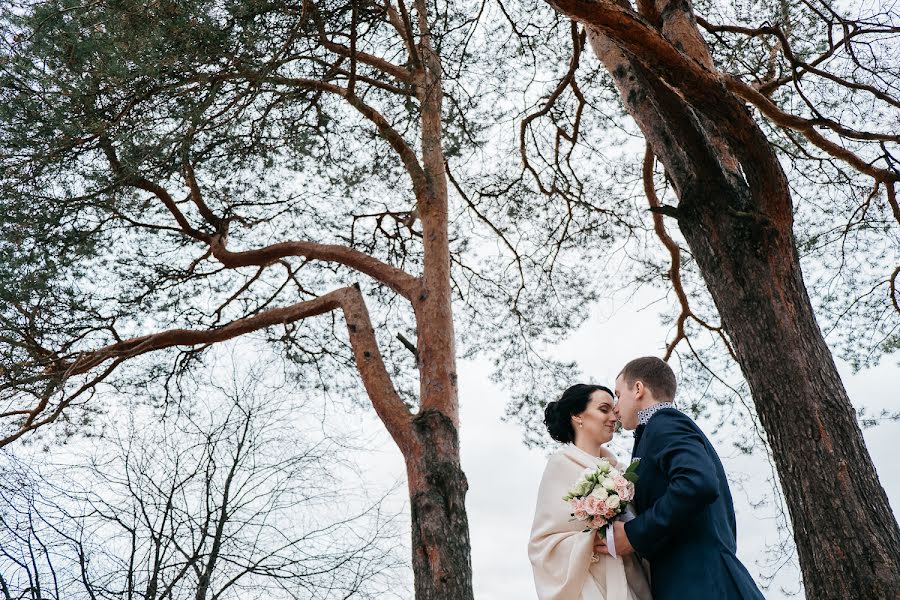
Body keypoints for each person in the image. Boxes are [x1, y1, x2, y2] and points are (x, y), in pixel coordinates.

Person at [598, 356, 766, 600]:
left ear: (638, 389)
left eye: (618, 394)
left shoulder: (665, 423)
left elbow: (698, 483)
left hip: (702, 585)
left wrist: (635, 534)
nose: (615, 407)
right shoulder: (652, 433)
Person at [529, 384, 652, 600]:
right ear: (577, 415)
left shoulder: (622, 471)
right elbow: (543, 544)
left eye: (614, 411)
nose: (614, 418)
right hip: (590, 586)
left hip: (631, 580)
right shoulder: (561, 464)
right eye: (604, 409)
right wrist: (591, 538)